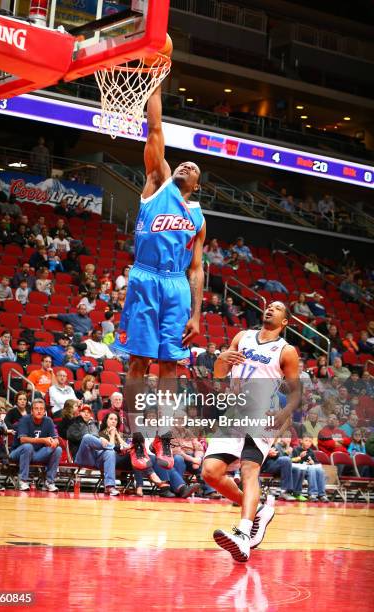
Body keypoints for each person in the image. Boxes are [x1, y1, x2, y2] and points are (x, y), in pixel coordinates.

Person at [112, 83, 205, 405]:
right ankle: (136, 430)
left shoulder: (198, 218)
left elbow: (196, 269)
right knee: (139, 360)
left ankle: (163, 432)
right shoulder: (157, 183)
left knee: (170, 364)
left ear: (197, 185)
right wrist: (155, 83)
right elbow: (154, 129)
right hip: (146, 276)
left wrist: (196, 315)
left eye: (193, 169)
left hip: (176, 285)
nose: (186, 166)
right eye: (183, 163)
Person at [202, 301, 300, 562]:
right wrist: (222, 359)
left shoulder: (286, 351)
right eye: (268, 307)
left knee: (249, 468)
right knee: (210, 472)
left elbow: (296, 391)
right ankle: (258, 509)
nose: (270, 309)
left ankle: (244, 533)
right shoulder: (242, 337)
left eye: (277, 308)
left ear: (285, 322)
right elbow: (219, 374)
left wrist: (284, 413)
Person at [10, 398, 61, 491]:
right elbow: (23, 440)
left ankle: (49, 482)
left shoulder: (48, 420)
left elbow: (56, 438)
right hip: (18, 452)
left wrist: (55, 442)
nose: (39, 411)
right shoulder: (24, 419)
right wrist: (43, 440)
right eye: (36, 408)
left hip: (37, 453)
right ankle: (22, 481)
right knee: (27, 446)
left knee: (58, 449)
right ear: (32, 411)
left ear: (45, 411)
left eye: (41, 409)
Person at [67, 404, 119, 495]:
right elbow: (73, 437)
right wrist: (98, 439)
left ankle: (109, 487)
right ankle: (112, 446)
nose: (86, 414)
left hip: (94, 457)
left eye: (88, 412)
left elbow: (97, 441)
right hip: (81, 457)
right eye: (84, 412)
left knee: (110, 453)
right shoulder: (74, 424)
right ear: (80, 413)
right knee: (87, 438)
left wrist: (99, 439)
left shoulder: (95, 425)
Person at [292, 435, 328, 502]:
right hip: (299, 470)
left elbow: (317, 463)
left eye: (310, 441)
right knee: (312, 469)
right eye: (306, 440)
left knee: (320, 470)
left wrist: (312, 462)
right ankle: (312, 494)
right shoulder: (296, 449)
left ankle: (322, 494)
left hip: (309, 469)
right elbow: (293, 462)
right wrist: (301, 458)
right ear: (301, 441)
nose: (308, 443)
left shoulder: (311, 451)